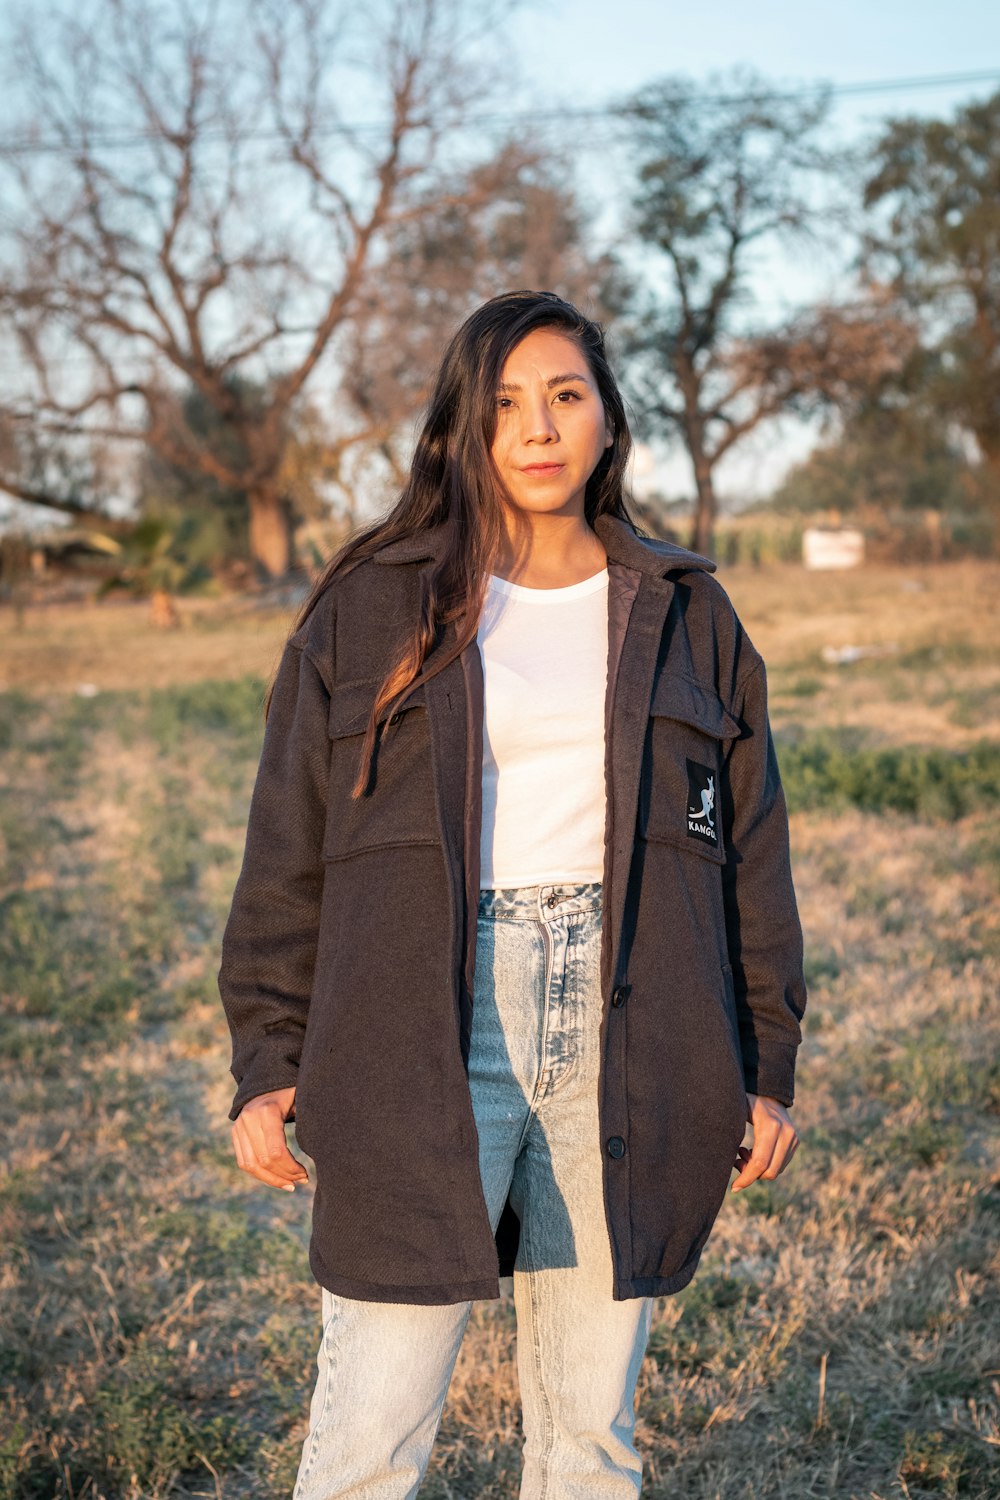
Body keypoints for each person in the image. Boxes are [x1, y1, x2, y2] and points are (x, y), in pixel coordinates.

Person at [218, 289, 807, 1498]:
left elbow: (751, 851)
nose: (536, 428)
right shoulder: (370, 602)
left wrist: (767, 1062)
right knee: (369, 1439)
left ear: (604, 420)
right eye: (502, 404)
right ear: (460, 429)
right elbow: (290, 844)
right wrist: (267, 1055)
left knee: (590, 1436)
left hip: (632, 1025)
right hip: (423, 1021)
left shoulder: (688, 612)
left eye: (564, 395)